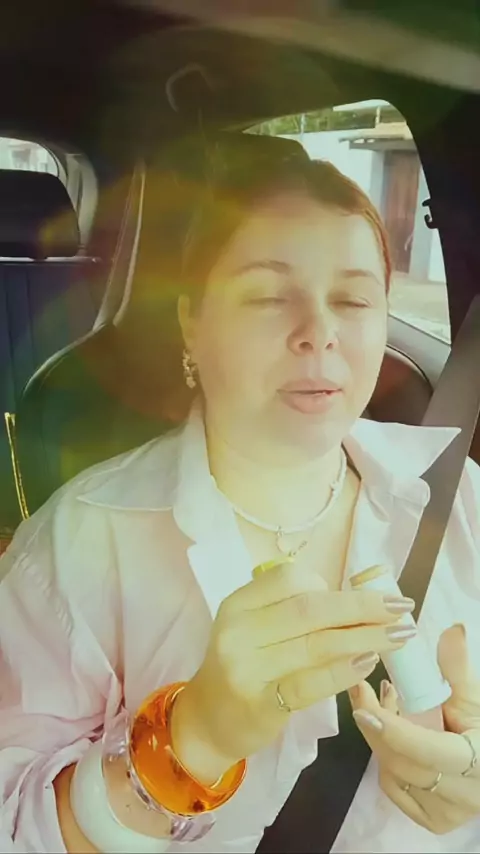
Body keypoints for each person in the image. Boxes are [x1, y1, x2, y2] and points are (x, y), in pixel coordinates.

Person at [1, 150, 480, 854]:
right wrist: (189, 742)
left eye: (353, 300)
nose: (320, 331)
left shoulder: (459, 496)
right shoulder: (76, 547)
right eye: (268, 297)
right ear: (192, 323)